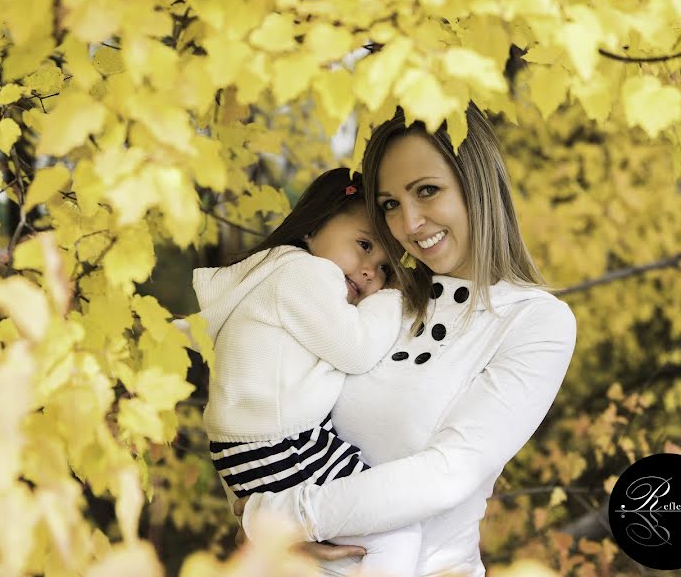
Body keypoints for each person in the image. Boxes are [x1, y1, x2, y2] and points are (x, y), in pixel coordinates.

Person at [233, 105, 578, 577]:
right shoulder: (372, 295)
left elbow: (448, 472)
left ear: (477, 183)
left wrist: (279, 517)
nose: (409, 224)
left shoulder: (535, 322)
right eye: (391, 204)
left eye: (427, 191)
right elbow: (267, 405)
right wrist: (264, 525)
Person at [181, 167, 422, 575]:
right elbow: (358, 350)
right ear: (312, 226)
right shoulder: (304, 272)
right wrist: (394, 298)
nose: (370, 271)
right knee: (394, 531)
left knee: (338, 553)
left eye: (384, 268)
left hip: (255, 448)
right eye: (364, 245)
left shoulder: (270, 272)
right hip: (283, 445)